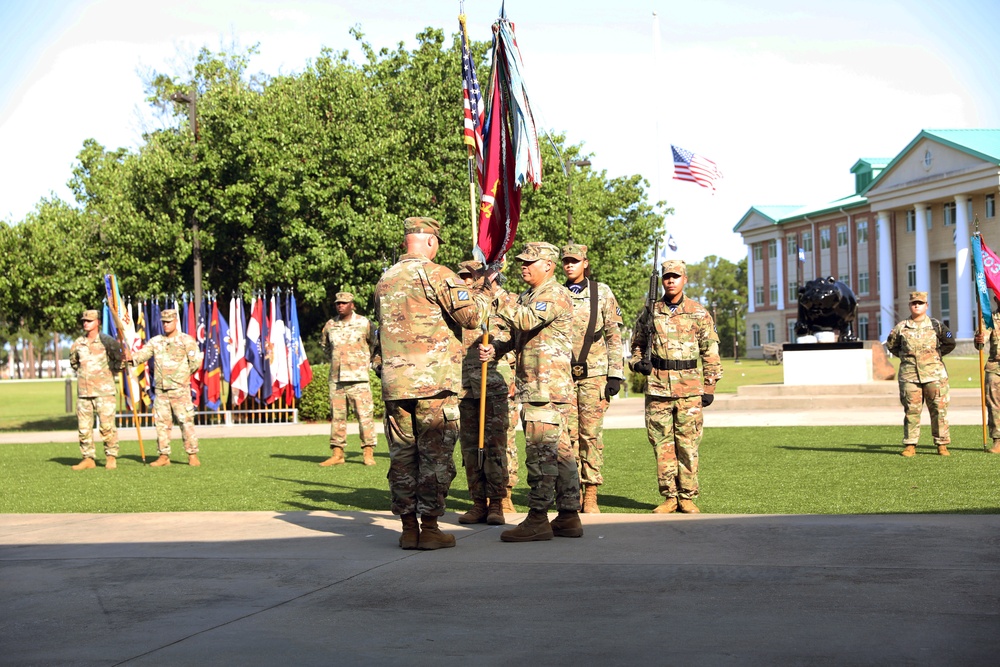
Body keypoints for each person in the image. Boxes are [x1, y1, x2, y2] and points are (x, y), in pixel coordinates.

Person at [374, 216, 491, 550]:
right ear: (429, 242)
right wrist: (479, 290)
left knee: (402, 458)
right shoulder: (437, 273)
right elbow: (472, 316)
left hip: (396, 384)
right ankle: (430, 528)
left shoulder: (385, 280)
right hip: (433, 383)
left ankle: (408, 528)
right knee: (435, 457)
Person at [481, 241, 582, 542]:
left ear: (548, 266)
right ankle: (568, 516)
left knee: (541, 455)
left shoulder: (554, 294)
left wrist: (498, 293)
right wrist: (497, 348)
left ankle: (538, 518)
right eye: (522, 261)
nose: (523, 266)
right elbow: (518, 335)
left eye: (530, 262)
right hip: (538, 385)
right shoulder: (530, 295)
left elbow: (525, 319)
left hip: (546, 387)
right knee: (561, 455)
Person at [629, 259, 722, 514]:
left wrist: (710, 385)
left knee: (688, 444)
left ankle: (688, 495)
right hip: (658, 387)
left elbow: (710, 350)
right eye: (667, 276)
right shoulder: (651, 311)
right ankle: (670, 496)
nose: (670, 281)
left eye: (675, 276)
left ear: (685, 280)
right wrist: (638, 364)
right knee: (662, 444)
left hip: (689, 388)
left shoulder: (698, 312)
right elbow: (636, 345)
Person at [561, 244, 624, 513]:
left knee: (591, 436)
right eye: (566, 261)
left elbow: (613, 335)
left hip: (595, 376)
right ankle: (570, 491)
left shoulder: (602, 292)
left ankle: (591, 493)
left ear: (585, 263)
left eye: (575, 261)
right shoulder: (556, 293)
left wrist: (616, 374)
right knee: (567, 436)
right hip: (562, 375)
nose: (570, 265)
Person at [455, 260, 511, 526]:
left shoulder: (504, 302)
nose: (468, 280)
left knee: (496, 447)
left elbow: (517, 337)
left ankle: (497, 503)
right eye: (465, 276)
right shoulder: (459, 306)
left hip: (494, 385)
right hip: (464, 387)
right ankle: (478, 502)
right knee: (469, 448)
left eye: (473, 275)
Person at [129, 308, 203, 467]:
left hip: (180, 390)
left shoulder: (186, 340)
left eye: (169, 322)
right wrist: (130, 359)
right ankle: (163, 455)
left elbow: (195, 362)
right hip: (161, 391)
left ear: (176, 321)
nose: (166, 325)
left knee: (186, 422)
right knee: (162, 424)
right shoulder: (156, 341)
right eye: (164, 322)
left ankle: (192, 454)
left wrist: (180, 377)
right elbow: (142, 355)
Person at [886, 291, 955, 457]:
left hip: (935, 375)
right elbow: (892, 345)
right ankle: (910, 444)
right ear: (910, 305)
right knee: (911, 410)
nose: (917, 305)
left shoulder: (937, 325)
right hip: (910, 375)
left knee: (939, 410)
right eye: (914, 303)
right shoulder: (901, 327)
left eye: (920, 303)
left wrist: (935, 356)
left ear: (926, 306)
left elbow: (950, 341)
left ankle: (942, 444)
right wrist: (906, 358)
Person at [319, 291, 378, 467]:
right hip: (336, 379)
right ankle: (337, 453)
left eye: (344, 303)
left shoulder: (364, 323)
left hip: (358, 378)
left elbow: (375, 344)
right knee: (337, 417)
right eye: (338, 303)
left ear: (352, 305)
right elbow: (325, 346)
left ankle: (368, 452)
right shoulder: (330, 325)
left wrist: (366, 361)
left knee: (364, 416)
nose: (340, 306)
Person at [68, 309, 125, 470]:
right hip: (84, 393)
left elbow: (119, 363)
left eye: (89, 320)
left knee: (107, 427)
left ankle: (111, 456)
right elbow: (74, 363)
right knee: (84, 428)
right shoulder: (78, 343)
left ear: (97, 322)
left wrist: (119, 363)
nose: (85, 323)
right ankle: (88, 458)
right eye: (84, 320)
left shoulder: (108, 342)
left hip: (104, 392)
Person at [973, 321, 1000, 454]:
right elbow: (980, 343)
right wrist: (980, 339)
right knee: (994, 404)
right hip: (995, 366)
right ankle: (998, 440)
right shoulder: (989, 319)